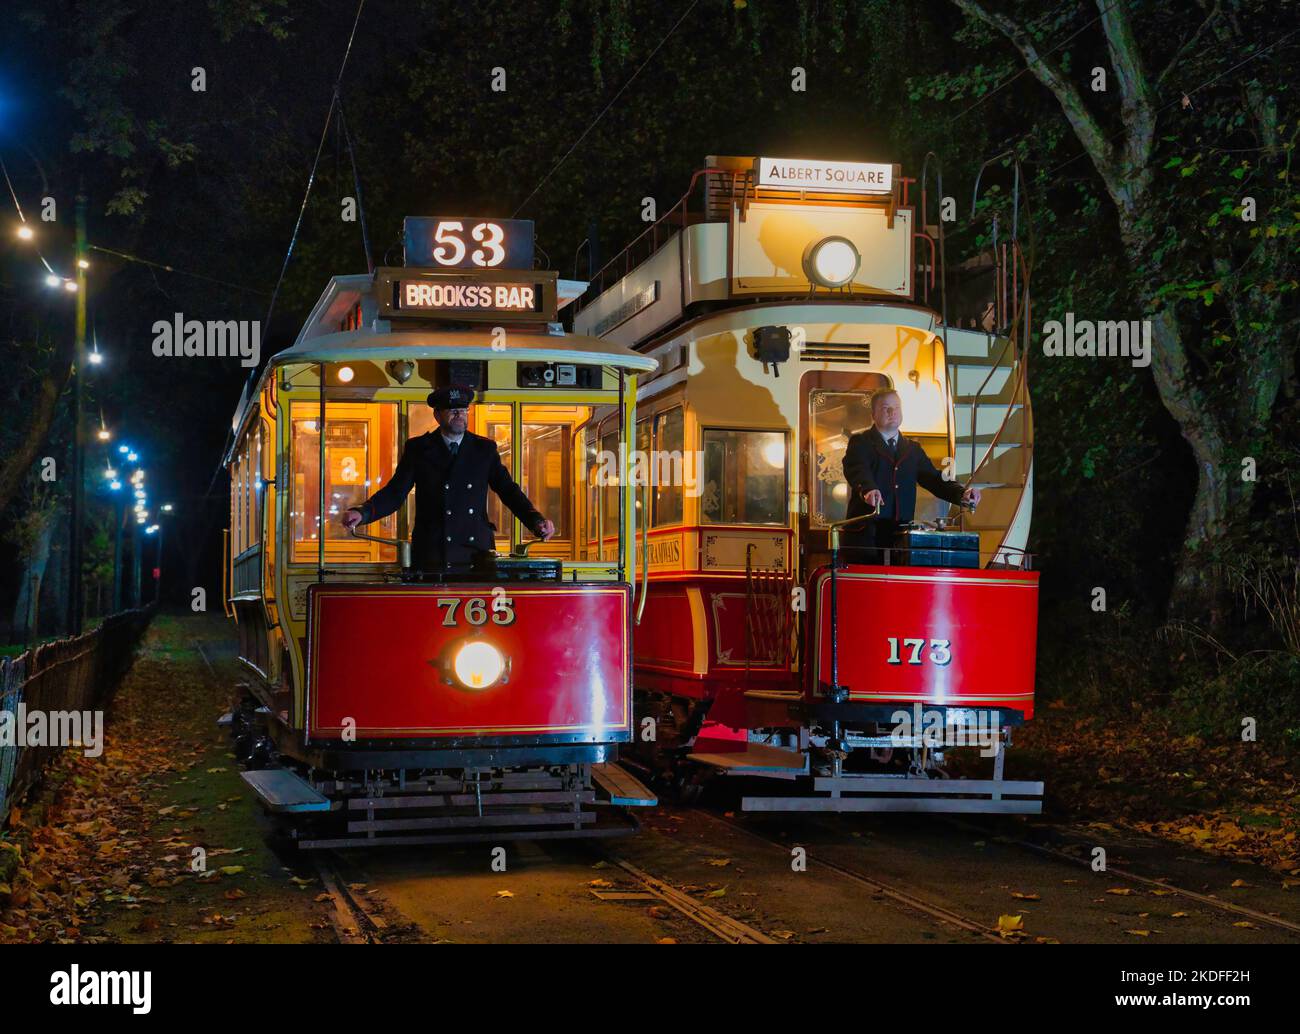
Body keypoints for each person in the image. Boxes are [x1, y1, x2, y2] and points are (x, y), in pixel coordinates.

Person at [340, 385, 555, 573]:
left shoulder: (484, 449)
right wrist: (363, 512)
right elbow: (395, 493)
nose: (459, 415)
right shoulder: (419, 449)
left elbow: (508, 490)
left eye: (463, 410)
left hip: (476, 555)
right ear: (437, 415)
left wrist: (536, 521)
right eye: (452, 410)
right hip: (433, 553)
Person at [841, 387, 980, 555]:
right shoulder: (860, 442)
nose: (892, 412)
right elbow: (857, 469)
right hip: (866, 539)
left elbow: (934, 478)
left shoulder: (912, 449)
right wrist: (868, 489)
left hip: (900, 539)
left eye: (896, 407)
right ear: (873, 415)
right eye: (886, 408)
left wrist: (962, 492)